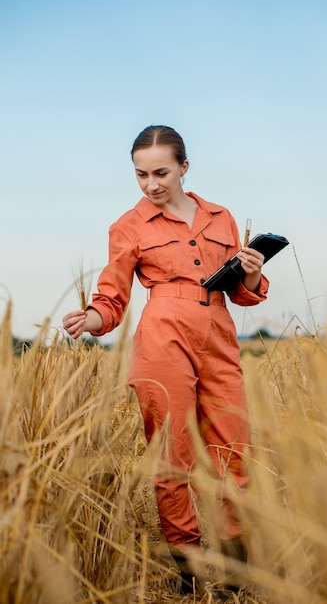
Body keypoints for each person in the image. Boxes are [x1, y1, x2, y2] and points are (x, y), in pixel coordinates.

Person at [63, 125, 269, 597]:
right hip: (162, 339)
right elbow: (111, 298)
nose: (151, 184)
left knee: (234, 452)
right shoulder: (128, 225)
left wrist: (253, 276)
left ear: (183, 167)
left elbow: (241, 294)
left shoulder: (221, 217)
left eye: (160, 172)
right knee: (172, 456)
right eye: (140, 175)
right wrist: (90, 319)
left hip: (219, 336)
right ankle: (189, 572)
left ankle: (237, 576)